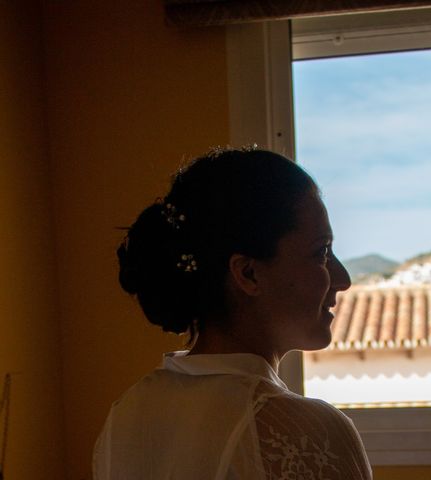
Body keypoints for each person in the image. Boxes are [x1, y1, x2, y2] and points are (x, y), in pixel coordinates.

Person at [93, 147, 372, 480]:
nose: (342, 279)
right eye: (321, 252)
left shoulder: (127, 413)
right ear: (249, 274)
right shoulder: (313, 432)